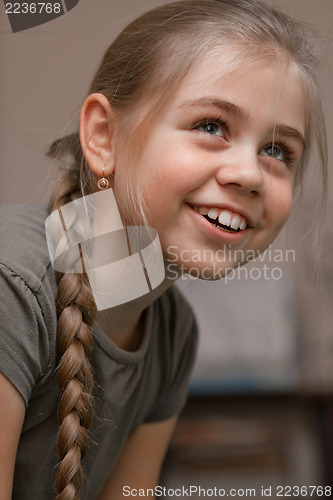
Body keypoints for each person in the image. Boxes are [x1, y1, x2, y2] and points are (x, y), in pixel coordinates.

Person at [0, 0, 328, 499]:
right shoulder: (13, 289)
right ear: (104, 137)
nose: (249, 174)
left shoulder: (172, 331)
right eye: (211, 125)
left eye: (277, 150)